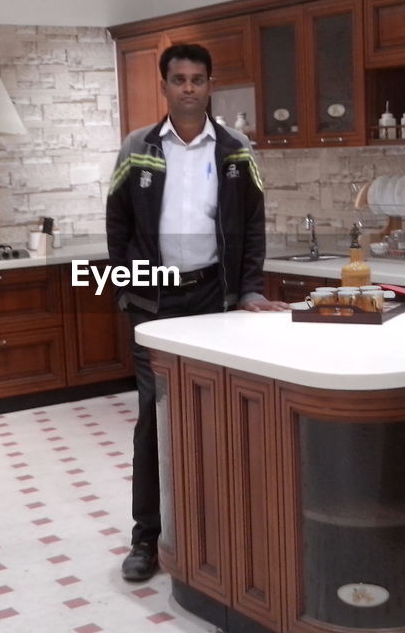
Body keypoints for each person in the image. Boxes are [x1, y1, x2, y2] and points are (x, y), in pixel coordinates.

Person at [105, 43, 289, 582]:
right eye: (179, 78)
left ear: (211, 86)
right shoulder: (138, 148)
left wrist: (250, 290)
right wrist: (127, 287)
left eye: (198, 79)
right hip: (155, 302)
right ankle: (147, 538)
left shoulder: (235, 150)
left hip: (214, 300)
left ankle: (215, 532)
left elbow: (252, 226)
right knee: (153, 416)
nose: (188, 87)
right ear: (164, 86)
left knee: (217, 416)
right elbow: (117, 225)